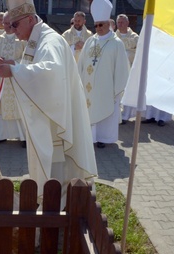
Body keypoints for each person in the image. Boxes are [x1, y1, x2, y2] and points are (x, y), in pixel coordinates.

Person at [0, 0, 98, 207]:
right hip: (52, 118)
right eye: (9, 26)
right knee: (54, 176)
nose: (12, 31)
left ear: (30, 19)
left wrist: (14, 72)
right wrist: (16, 66)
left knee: (57, 175)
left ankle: (55, 212)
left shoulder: (49, 41)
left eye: (15, 25)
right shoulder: (36, 38)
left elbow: (49, 74)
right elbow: (35, 67)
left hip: (55, 126)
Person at [77, 0, 129, 148]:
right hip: (88, 88)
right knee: (89, 111)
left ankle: (104, 139)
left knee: (105, 113)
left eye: (101, 25)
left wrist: (116, 90)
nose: (98, 28)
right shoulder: (90, 41)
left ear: (108, 24)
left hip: (107, 89)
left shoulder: (116, 43)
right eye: (96, 25)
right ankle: (90, 138)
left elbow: (122, 68)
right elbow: (81, 63)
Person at [0, 12, 26, 147]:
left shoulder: (22, 40)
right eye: (5, 23)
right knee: (2, 107)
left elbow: (30, 58)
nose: (8, 26)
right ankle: (1, 135)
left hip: (17, 79)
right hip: (1, 81)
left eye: (11, 23)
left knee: (19, 107)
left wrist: (15, 62)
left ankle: (23, 136)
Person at [115, 13, 139, 123]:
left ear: (128, 23)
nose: (120, 24)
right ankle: (117, 113)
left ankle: (126, 115)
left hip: (130, 70)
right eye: (118, 22)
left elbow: (139, 54)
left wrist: (126, 53)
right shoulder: (113, 37)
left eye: (122, 22)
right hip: (116, 70)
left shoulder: (135, 37)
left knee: (128, 92)